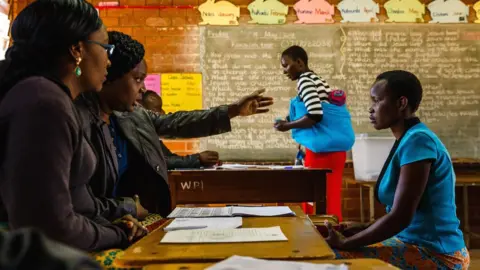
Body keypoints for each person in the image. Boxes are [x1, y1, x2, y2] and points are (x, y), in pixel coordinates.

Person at [75, 31, 273, 217]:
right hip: (103, 228)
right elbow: (79, 203)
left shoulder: (133, 116)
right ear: (109, 77)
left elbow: (177, 123)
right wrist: (127, 209)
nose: (143, 89)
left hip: (136, 219)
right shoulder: (79, 120)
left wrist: (233, 111)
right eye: (137, 79)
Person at [0, 0, 146, 252]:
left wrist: (113, 226)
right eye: (105, 48)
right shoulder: (44, 102)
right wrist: (116, 235)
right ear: (77, 49)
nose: (109, 62)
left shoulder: (52, 98)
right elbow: (48, 226)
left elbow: (75, 204)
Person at [324, 70, 469, 269]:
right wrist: (363, 228)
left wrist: (346, 243)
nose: (371, 109)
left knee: (332, 256)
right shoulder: (410, 138)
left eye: (377, 101)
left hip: (437, 253)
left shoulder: (418, 141)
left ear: (401, 103)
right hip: (411, 242)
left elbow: (401, 216)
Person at [274, 46, 354, 221]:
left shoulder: (305, 81)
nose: (284, 71)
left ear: (300, 63)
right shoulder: (315, 79)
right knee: (328, 197)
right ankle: (331, 234)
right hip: (331, 151)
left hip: (323, 152)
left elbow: (315, 115)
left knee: (320, 199)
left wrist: (287, 126)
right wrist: (289, 120)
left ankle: (325, 236)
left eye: (286, 65)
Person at [141, 90, 220, 169]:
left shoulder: (153, 137)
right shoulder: (139, 136)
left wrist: (203, 161)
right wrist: (198, 159)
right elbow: (161, 161)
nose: (163, 112)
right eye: (157, 109)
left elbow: (171, 158)